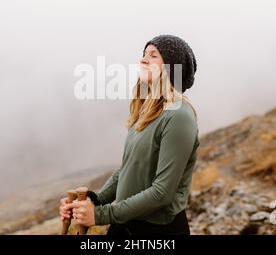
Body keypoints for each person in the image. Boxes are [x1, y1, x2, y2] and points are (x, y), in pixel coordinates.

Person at [60, 35, 200, 235]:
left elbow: (162, 193)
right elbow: (128, 169)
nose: (143, 60)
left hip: (158, 231)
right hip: (125, 225)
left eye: (153, 56)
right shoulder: (147, 111)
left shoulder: (179, 116)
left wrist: (100, 215)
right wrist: (92, 202)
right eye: (144, 54)